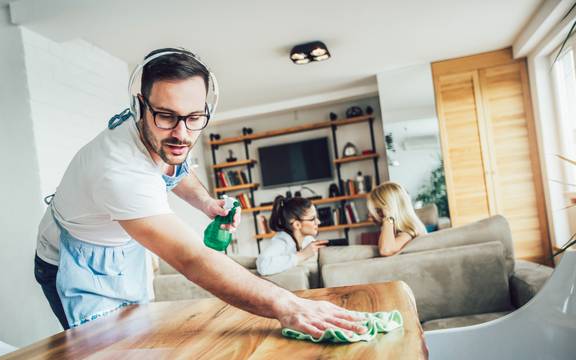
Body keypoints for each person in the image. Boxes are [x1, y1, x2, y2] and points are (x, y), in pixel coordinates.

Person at [33, 48, 366, 338]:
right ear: (139, 107)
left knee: (141, 342)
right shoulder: (118, 170)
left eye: (194, 117)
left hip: (123, 250)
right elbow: (192, 259)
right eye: (166, 116)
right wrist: (286, 303)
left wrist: (206, 203)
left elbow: (174, 169)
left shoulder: (169, 136)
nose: (181, 133)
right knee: (111, 350)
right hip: (72, 261)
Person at [256, 196, 327, 276]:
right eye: (312, 219)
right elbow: (263, 266)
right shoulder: (281, 242)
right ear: (297, 224)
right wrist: (302, 255)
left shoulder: (308, 240)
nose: (318, 222)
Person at [366, 181, 427, 257]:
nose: (370, 216)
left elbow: (385, 250)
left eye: (377, 209)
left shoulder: (408, 232)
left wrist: (388, 217)